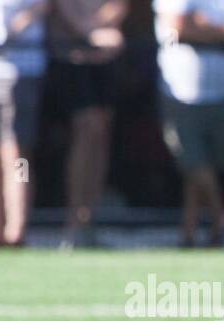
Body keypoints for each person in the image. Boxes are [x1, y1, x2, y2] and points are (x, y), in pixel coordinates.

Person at [154, 0, 224, 247]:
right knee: (192, 159)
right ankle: (220, 215)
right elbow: (178, 27)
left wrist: (202, 26)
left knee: (206, 165)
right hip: (180, 91)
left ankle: (190, 232)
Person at [49, 0, 128, 250]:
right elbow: (62, 9)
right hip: (73, 57)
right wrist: (90, 33)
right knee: (87, 130)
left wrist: (98, 30)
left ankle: (89, 218)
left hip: (105, 58)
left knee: (101, 133)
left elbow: (119, 5)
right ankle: (74, 220)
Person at [0, 0, 47, 251]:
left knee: (17, 155)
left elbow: (45, 6)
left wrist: (18, 24)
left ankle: (17, 228)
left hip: (21, 70)